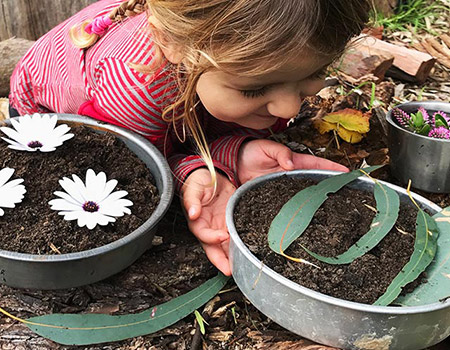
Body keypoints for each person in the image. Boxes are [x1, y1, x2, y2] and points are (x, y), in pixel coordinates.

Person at [9, 0, 370, 276]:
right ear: (170, 42)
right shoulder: (136, 88)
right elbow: (126, 162)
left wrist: (236, 149)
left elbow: (213, 113)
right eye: (256, 88)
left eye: (316, 73)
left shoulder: (234, 60)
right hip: (62, 121)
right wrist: (191, 173)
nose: (290, 107)